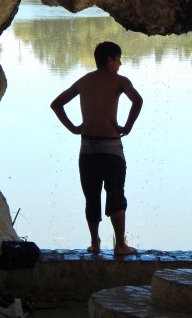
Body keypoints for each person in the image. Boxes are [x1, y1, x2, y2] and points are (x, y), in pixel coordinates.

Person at [50, 41, 143, 256]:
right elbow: (137, 101)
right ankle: (120, 245)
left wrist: (73, 128)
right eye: (118, 59)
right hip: (111, 149)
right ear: (109, 60)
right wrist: (126, 127)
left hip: (87, 149)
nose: (120, 63)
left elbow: (56, 104)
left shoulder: (84, 81)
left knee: (92, 197)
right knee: (116, 195)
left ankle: (95, 243)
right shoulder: (120, 81)